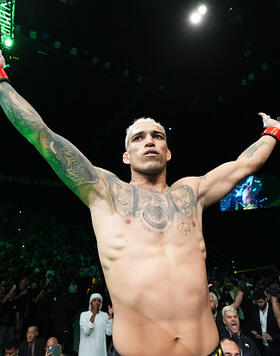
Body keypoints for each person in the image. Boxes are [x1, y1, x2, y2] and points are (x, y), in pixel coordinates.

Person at [0, 52, 280, 356]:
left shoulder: (192, 192)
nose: (149, 141)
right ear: (126, 156)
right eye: (138, 138)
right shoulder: (103, 190)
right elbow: (42, 136)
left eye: (158, 136)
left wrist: (273, 130)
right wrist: (1, 80)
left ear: (168, 152)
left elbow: (243, 166)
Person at [249, 290, 280, 356]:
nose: (259, 304)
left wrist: (272, 338)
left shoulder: (274, 310)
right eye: (257, 302)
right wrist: (256, 335)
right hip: (261, 348)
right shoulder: (254, 311)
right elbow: (252, 328)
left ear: (266, 299)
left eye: (261, 302)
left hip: (275, 348)